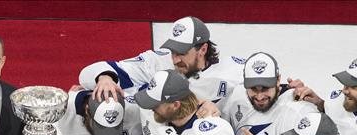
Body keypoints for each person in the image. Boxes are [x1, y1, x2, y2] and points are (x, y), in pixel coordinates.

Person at [82, 16, 240, 112]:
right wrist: (105, 78)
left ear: (203, 49)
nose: (175, 60)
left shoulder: (232, 71)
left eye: (182, 53)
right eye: (173, 51)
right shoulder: (157, 61)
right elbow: (91, 72)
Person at [224, 52, 318, 135]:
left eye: (265, 88)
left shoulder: (298, 109)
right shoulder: (236, 97)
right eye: (253, 88)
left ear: (278, 80)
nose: (259, 97)